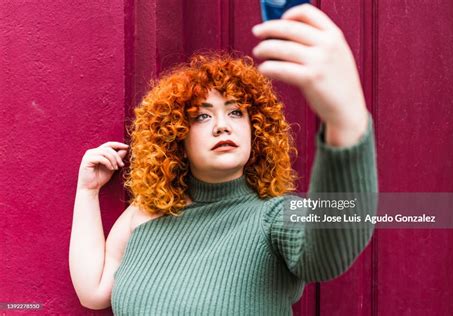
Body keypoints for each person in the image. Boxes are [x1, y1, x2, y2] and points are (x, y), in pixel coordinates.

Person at [69, 4, 377, 315]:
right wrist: (87, 191)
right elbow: (93, 291)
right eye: (202, 116)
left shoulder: (274, 216)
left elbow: (328, 252)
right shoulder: (145, 214)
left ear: (256, 128)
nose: (222, 125)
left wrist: (345, 123)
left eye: (235, 112)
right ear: (177, 136)